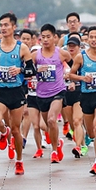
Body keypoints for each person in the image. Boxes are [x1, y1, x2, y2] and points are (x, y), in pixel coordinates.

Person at [0, 13, 35, 175]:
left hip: (16, 91)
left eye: (7, 25)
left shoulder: (22, 48)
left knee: (16, 130)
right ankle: (3, 131)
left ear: (14, 27)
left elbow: (31, 70)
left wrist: (20, 69)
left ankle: (19, 161)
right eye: (2, 25)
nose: (4, 28)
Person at [67, 26, 96, 176]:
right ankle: (91, 139)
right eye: (91, 37)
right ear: (87, 39)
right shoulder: (81, 57)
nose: (93, 40)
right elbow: (71, 75)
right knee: (92, 132)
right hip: (86, 97)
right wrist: (82, 78)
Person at [33, 24, 72, 164]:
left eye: (48, 37)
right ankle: (58, 143)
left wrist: (72, 80)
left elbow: (76, 68)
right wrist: (37, 70)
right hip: (42, 94)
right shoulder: (35, 55)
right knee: (49, 125)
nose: (45, 40)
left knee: (51, 120)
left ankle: (54, 151)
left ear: (54, 37)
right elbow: (27, 72)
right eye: (43, 37)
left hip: (58, 91)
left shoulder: (62, 53)